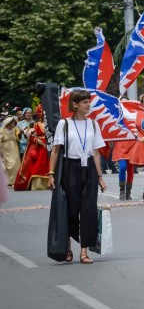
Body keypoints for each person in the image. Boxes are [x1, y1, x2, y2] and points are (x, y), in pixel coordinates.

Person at [48, 89, 107, 264]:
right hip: (69, 168)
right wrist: (51, 174)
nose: (88, 104)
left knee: (88, 211)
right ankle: (67, 246)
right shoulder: (64, 124)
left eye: (89, 101)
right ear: (75, 105)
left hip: (88, 168)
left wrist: (100, 176)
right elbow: (56, 150)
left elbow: (96, 152)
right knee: (71, 210)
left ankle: (84, 251)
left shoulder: (93, 124)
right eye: (85, 102)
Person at [14, 104, 50, 191]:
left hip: (49, 147)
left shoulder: (50, 123)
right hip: (40, 147)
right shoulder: (36, 124)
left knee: (49, 165)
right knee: (38, 165)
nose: (43, 115)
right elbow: (33, 136)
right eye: (41, 113)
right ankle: (38, 184)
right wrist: (37, 140)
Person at [0, 116, 21, 186]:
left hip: (14, 149)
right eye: (13, 123)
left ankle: (15, 181)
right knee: (8, 165)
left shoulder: (15, 129)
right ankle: (8, 181)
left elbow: (18, 138)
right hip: (5, 150)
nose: (14, 124)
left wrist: (20, 133)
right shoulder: (1, 130)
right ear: (9, 123)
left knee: (16, 164)